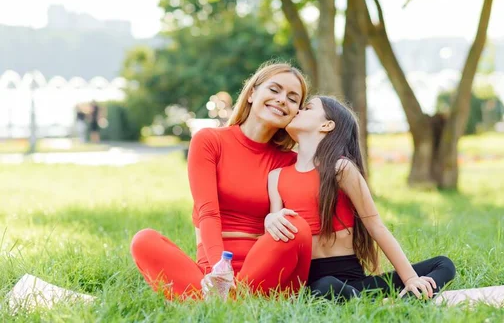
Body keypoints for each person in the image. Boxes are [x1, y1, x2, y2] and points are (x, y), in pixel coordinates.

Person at [130, 62, 313, 300]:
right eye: (274, 90)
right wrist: (220, 272)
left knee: (296, 225)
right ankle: (226, 302)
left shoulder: (291, 161)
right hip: (212, 270)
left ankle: (217, 304)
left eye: (292, 98)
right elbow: (208, 213)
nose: (281, 100)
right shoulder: (209, 141)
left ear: (297, 111)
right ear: (252, 93)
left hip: (263, 272)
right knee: (144, 240)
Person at [265, 96, 456, 302]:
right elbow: (274, 236)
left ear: (326, 125)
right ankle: (381, 305)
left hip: (355, 282)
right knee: (325, 286)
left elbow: (376, 227)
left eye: (308, 108)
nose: (298, 111)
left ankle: (401, 300)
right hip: (312, 282)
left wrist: (410, 278)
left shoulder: (341, 168)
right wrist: (269, 219)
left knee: (444, 264)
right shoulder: (276, 177)